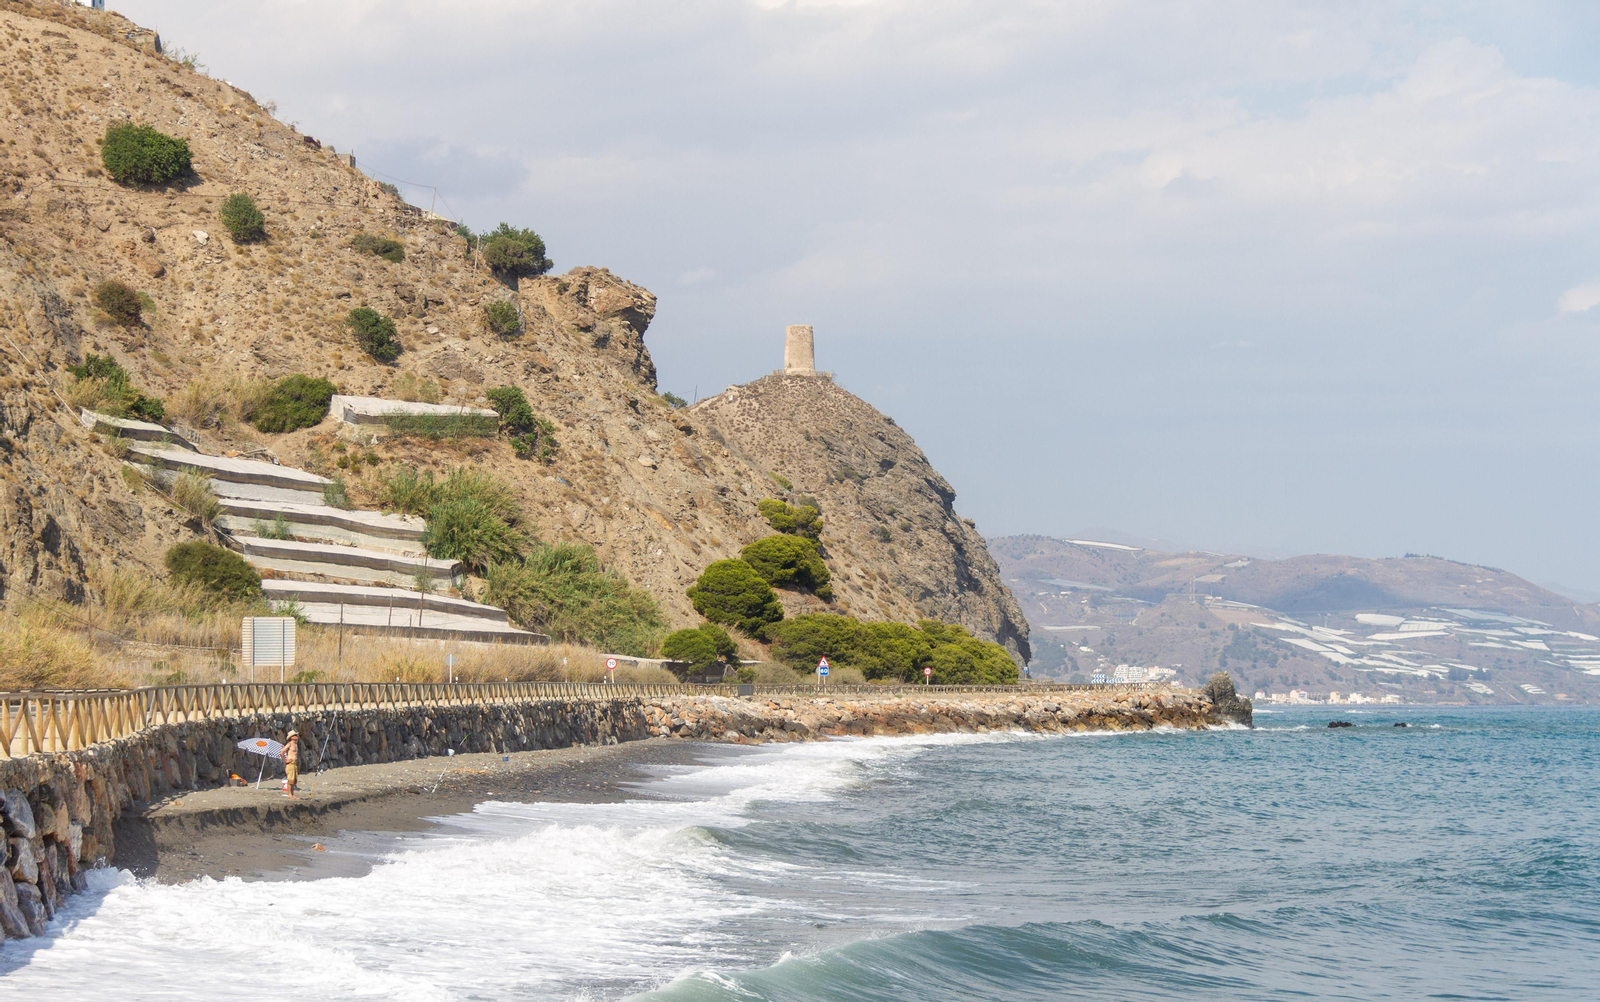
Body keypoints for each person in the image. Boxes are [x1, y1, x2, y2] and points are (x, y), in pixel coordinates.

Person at [281, 730, 301, 799]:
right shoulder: (289, 744)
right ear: (291, 737)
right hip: (290, 764)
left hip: (294, 764)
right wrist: (285, 760)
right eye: (294, 735)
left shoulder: (295, 744)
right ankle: (290, 794)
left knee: (294, 781)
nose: (296, 736)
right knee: (290, 781)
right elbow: (282, 752)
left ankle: (292, 794)